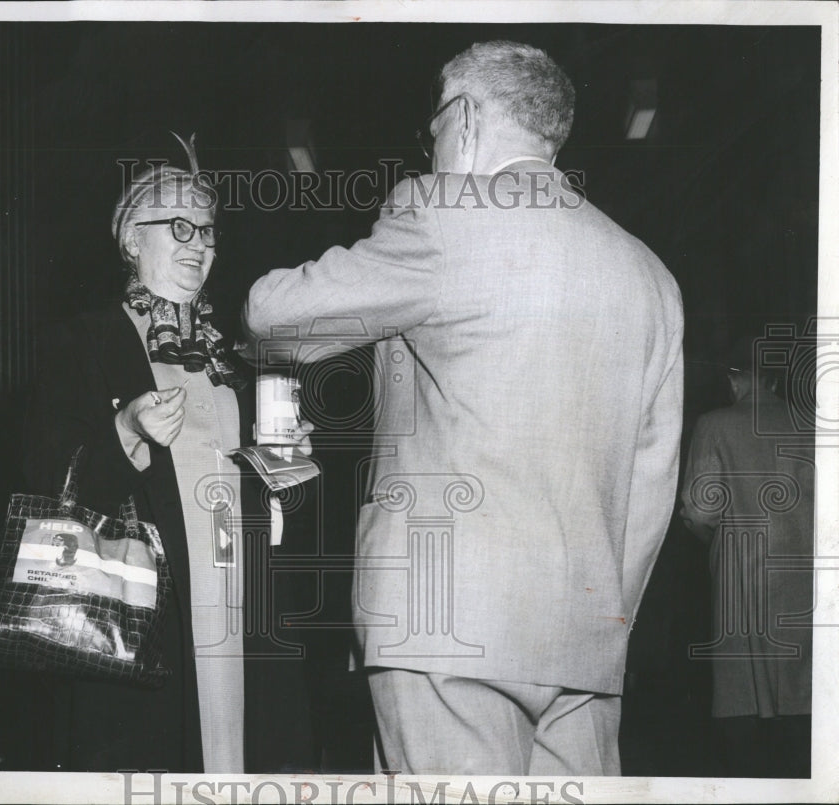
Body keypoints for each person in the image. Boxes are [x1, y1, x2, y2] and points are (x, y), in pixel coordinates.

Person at [241, 40, 683, 775]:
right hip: (586, 643)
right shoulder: (649, 274)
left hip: (444, 627)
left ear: (466, 117)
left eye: (434, 129)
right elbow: (652, 484)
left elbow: (271, 315)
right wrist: (603, 621)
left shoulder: (443, 213)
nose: (433, 146)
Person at [22, 134, 314, 772]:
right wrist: (125, 428)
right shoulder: (83, 343)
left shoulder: (239, 358)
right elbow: (47, 486)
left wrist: (289, 466)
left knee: (244, 759)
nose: (199, 245)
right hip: (147, 609)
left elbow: (282, 507)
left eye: (208, 233)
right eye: (179, 227)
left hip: (242, 599)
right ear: (132, 239)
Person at [680, 338, 813, 777]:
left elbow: (700, 510)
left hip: (743, 578)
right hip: (808, 582)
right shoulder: (812, 424)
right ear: (773, 379)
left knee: (741, 698)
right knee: (805, 696)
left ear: (732, 379)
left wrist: (715, 544)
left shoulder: (716, 424)